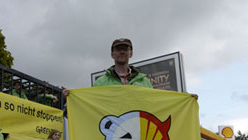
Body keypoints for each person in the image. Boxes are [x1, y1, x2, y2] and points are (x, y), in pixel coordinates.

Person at [63, 38, 198, 99]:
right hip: (112, 137)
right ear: (112, 54)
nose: (122, 52)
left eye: (125, 49)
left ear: (131, 53)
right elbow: (90, 105)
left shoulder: (144, 81)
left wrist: (184, 99)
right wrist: (72, 98)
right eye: (118, 49)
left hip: (139, 133)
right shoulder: (101, 82)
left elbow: (156, 101)